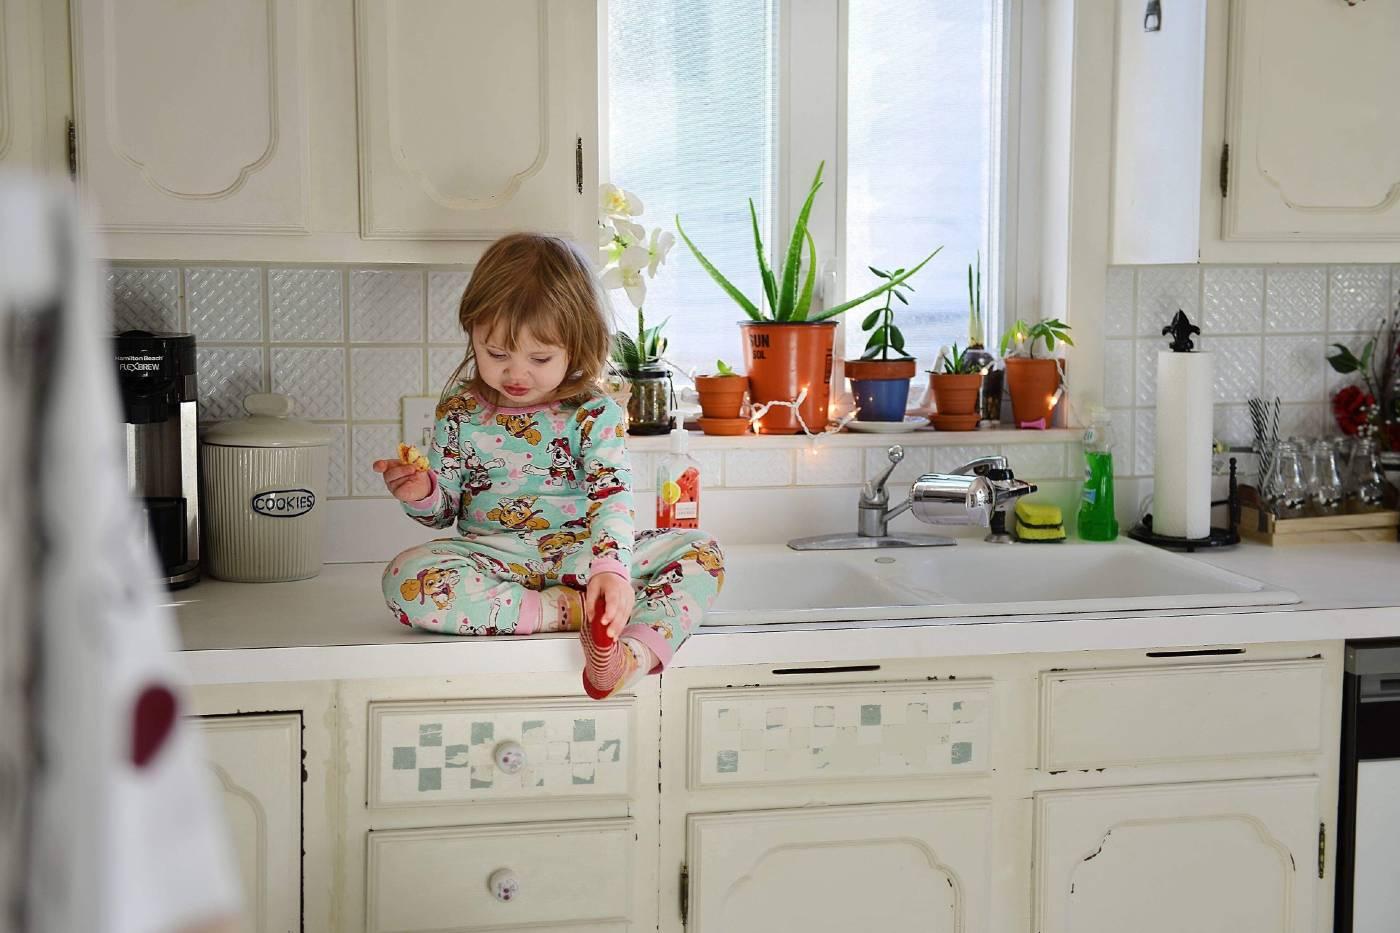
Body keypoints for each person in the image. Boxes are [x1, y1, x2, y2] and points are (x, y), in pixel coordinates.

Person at [373, 233, 724, 699]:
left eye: (540, 358)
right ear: (472, 332)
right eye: (497, 354)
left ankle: (630, 658)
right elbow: (443, 514)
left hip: (586, 556)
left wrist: (610, 571)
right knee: (404, 578)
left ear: (576, 346)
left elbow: (611, 497)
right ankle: (567, 612)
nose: (516, 374)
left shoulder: (594, 414)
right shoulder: (459, 414)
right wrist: (422, 492)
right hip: (498, 560)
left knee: (702, 551)